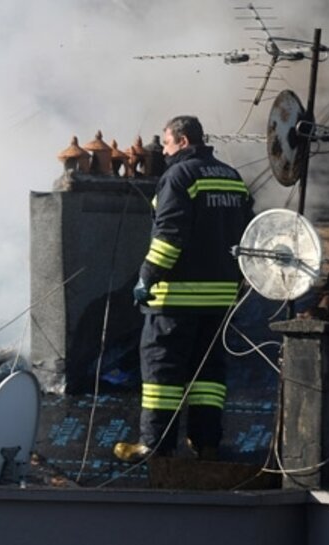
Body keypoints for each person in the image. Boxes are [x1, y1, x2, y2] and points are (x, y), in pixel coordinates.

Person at [114, 115, 253, 463]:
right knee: (209, 374)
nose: (162, 150)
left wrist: (148, 275)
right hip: (221, 297)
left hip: (177, 297)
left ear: (184, 141)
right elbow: (247, 233)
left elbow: (170, 234)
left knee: (162, 370)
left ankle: (154, 445)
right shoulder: (232, 178)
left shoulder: (179, 176)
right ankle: (206, 442)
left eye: (166, 143)